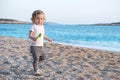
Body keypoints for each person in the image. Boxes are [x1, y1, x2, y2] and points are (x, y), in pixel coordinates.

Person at [29, 10, 52, 76]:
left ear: (43, 19)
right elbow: (30, 35)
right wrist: (33, 38)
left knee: (44, 56)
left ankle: (35, 63)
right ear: (34, 18)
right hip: (34, 46)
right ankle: (36, 71)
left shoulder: (42, 26)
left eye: (41, 19)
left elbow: (42, 35)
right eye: (38, 18)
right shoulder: (33, 26)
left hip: (41, 45)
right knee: (36, 58)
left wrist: (48, 39)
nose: (40, 20)